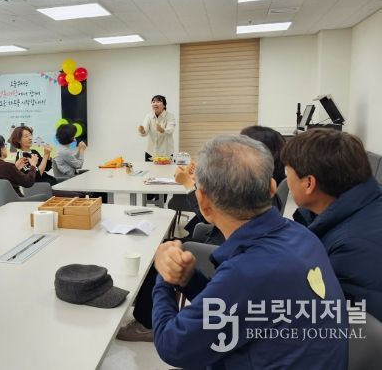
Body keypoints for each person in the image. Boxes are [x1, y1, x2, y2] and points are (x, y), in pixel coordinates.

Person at [152, 134, 347, 369]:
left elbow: (172, 346)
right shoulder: (302, 236)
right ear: (272, 187)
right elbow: (235, 304)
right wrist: (188, 279)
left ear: (203, 202)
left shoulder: (248, 271)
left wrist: (164, 275)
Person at [282, 128, 382, 320]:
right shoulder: (368, 202)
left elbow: (352, 327)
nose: (287, 181)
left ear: (309, 183)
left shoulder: (352, 249)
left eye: (288, 173)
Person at [138, 95, 176, 161]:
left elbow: (170, 130)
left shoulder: (170, 116)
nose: (155, 103)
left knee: (166, 168)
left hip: (166, 153)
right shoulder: (148, 116)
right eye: (153, 102)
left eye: (158, 101)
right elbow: (145, 133)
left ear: (164, 105)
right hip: (150, 153)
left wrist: (162, 130)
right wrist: (142, 131)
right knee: (149, 168)